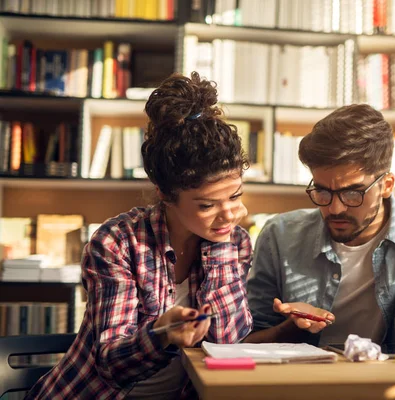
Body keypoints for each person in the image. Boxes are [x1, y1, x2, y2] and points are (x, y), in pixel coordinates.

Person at [26, 72, 253, 400]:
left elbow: (229, 342)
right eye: (207, 205)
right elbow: (112, 366)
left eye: (235, 197)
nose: (230, 214)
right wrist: (162, 334)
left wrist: (219, 248)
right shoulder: (116, 244)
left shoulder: (236, 242)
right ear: (164, 193)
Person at [245, 104, 395, 348]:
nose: (335, 208)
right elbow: (248, 341)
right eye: (322, 191)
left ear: (387, 185)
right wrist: (293, 329)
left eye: (352, 193)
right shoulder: (279, 235)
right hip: (301, 382)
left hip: (387, 382)